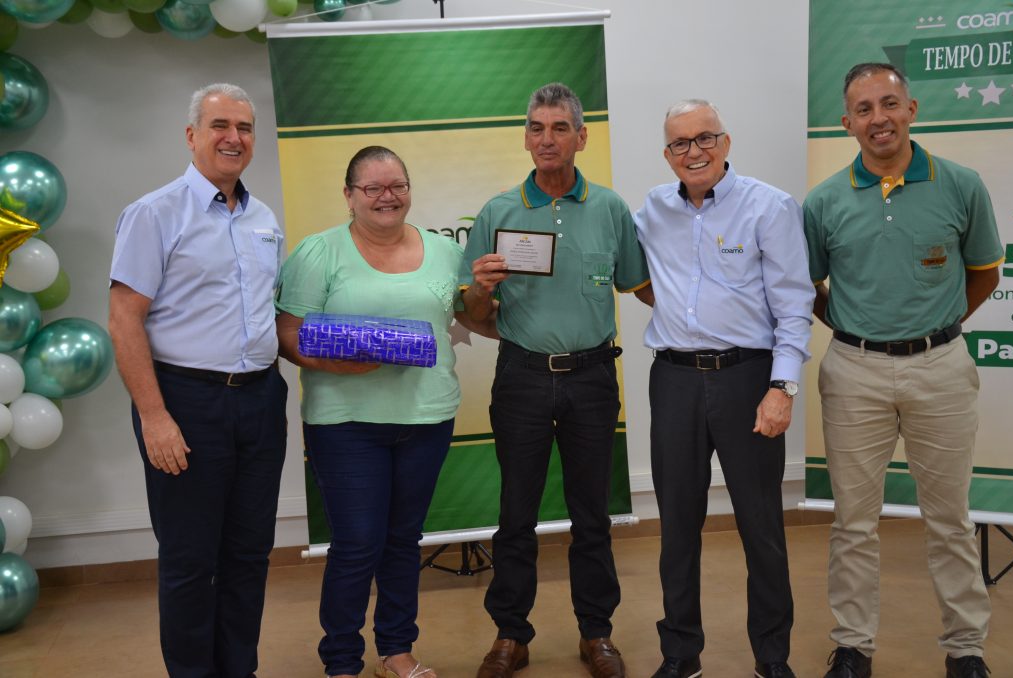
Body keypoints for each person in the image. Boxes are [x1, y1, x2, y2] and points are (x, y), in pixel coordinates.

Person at [803, 63, 1003, 678]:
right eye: (863, 109)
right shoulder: (824, 201)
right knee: (854, 523)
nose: (878, 118)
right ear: (847, 123)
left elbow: (985, 273)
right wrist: (866, 334)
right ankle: (853, 646)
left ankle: (966, 650)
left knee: (948, 520)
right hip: (854, 371)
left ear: (912, 109)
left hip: (941, 368)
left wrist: (932, 328)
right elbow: (809, 288)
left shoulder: (961, 185)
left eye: (888, 103)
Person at [461, 82, 653, 678]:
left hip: (593, 378)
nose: (548, 139)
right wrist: (481, 290)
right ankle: (510, 636)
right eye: (537, 128)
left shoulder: (612, 209)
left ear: (581, 136)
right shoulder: (498, 211)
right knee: (516, 513)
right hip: (521, 377)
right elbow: (471, 314)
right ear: (526, 137)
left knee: (590, 514)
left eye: (560, 128)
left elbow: (641, 287)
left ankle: (597, 633)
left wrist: (712, 317)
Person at [276, 146, 483, 678]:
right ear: (349, 196)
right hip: (346, 424)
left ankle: (396, 651)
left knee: (402, 540)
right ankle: (342, 662)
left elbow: (469, 315)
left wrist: (487, 290)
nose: (387, 197)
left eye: (397, 186)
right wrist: (344, 364)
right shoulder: (317, 253)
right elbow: (287, 334)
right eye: (372, 188)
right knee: (355, 545)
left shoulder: (444, 252)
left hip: (427, 417)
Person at [108, 83, 288, 678]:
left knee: (247, 555)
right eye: (219, 125)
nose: (233, 137)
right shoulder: (154, 213)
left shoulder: (263, 220)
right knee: (189, 561)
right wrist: (155, 417)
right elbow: (124, 319)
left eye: (244, 126)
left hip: (260, 402)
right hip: (185, 404)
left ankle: (239, 670)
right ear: (192, 136)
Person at [634, 100, 814, 678]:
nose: (694, 152)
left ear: (727, 141)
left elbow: (794, 306)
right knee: (676, 529)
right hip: (675, 381)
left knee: (761, 527)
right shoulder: (653, 211)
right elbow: (630, 274)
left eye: (704, 138)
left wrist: (782, 386)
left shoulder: (770, 206)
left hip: (747, 380)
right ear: (667, 155)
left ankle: (772, 657)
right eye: (680, 144)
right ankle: (680, 655)